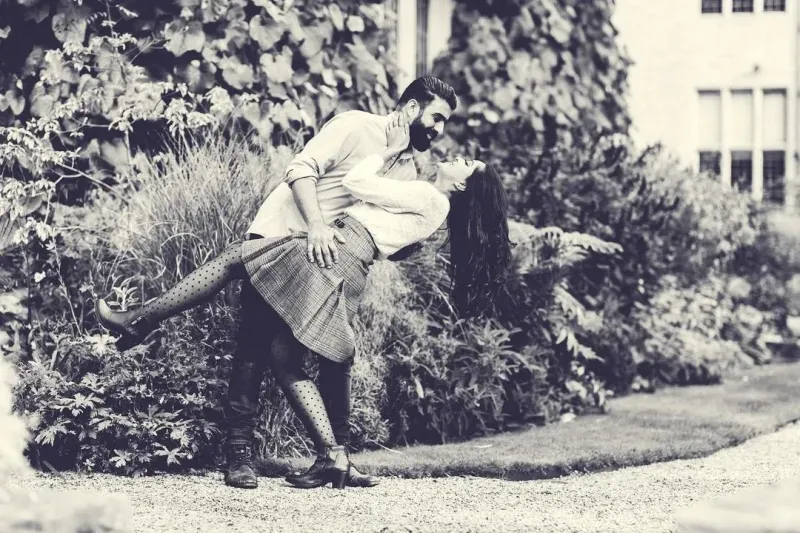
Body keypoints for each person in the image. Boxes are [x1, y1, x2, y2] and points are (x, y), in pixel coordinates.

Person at [97, 113, 512, 489]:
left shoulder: (431, 198)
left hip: (332, 253)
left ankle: (140, 319)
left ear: (461, 184)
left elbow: (356, 184)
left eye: (467, 164)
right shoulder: (429, 203)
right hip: (346, 259)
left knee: (234, 259)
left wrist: (388, 151)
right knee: (283, 358)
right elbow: (386, 232)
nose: (458, 156)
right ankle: (332, 456)